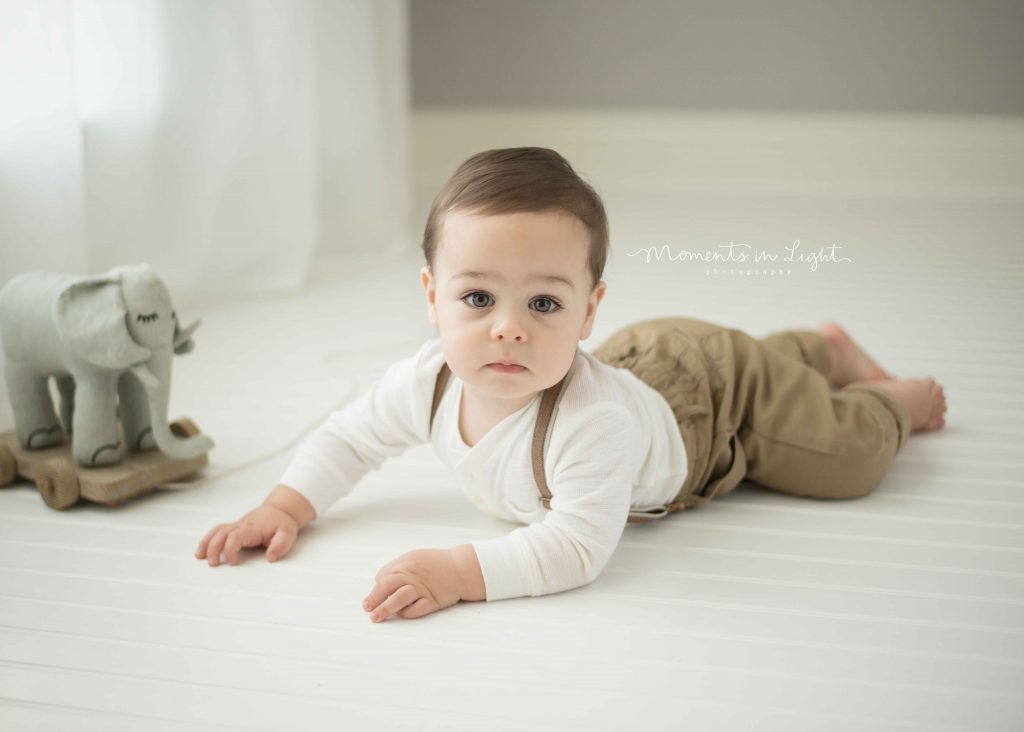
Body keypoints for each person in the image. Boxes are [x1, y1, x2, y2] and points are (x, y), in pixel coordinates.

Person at [195, 147, 947, 623]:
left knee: (844, 459)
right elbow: (350, 436)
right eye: (479, 298)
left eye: (544, 304)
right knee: (743, 361)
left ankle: (887, 397)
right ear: (432, 296)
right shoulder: (425, 380)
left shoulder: (590, 420)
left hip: (718, 415)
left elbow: (579, 546)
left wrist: (462, 572)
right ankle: (813, 351)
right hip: (651, 364)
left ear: (588, 310)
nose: (509, 329)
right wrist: (283, 504)